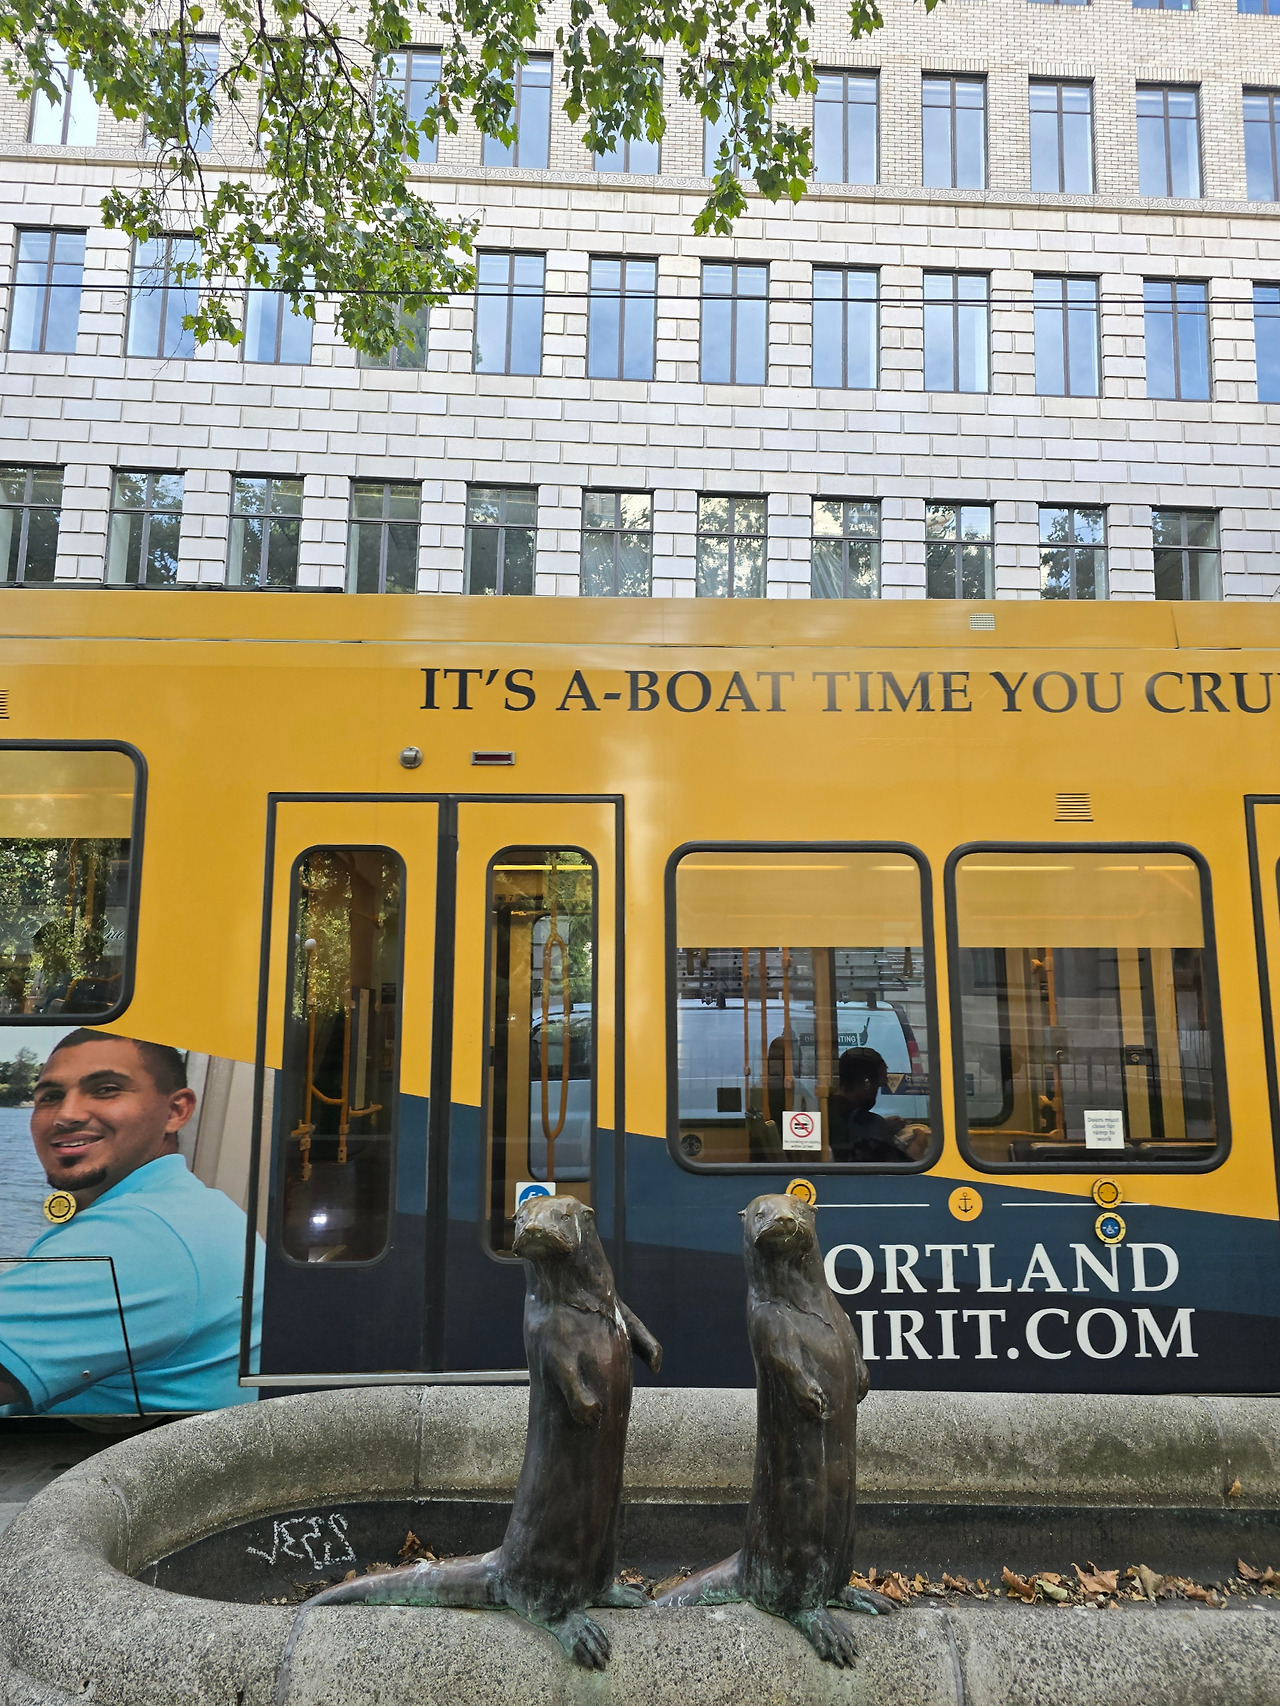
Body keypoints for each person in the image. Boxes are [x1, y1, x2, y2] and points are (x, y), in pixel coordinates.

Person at [0, 1029, 263, 1416]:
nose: (66, 1115)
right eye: (50, 1096)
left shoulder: (140, 1235)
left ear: (175, 1111)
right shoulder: (189, 1207)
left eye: (106, 1090)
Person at [827, 1047, 930, 1164]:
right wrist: (920, 1142)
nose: (876, 1094)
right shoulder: (872, 1124)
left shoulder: (827, 1109)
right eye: (877, 1086)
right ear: (866, 1083)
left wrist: (885, 1126)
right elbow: (901, 1167)